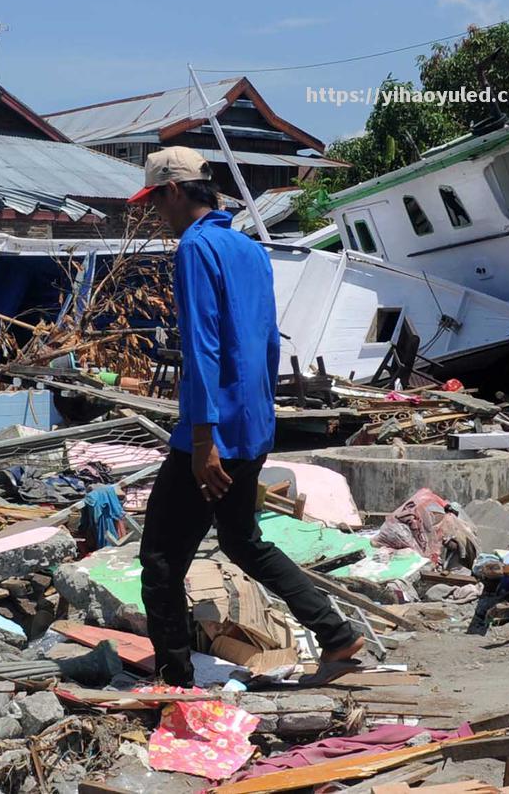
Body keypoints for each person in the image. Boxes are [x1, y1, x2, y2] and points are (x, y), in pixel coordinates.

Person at [131, 146, 364, 685]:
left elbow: (202, 346)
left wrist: (203, 437)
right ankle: (334, 633)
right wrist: (253, 421)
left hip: (211, 435)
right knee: (240, 539)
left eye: (154, 202)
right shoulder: (248, 247)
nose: (153, 214)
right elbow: (264, 345)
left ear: (172, 191)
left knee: (161, 561)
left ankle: (173, 681)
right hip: (254, 427)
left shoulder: (195, 247)